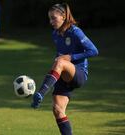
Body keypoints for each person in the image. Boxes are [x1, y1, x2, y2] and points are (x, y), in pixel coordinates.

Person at [31, 3, 99, 135]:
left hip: (79, 73)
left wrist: (71, 57)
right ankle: (40, 95)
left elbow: (94, 51)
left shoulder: (75, 31)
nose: (51, 22)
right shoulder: (55, 34)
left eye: (53, 18)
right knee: (57, 110)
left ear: (63, 16)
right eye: (49, 19)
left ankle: (41, 93)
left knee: (60, 61)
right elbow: (58, 61)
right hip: (63, 73)